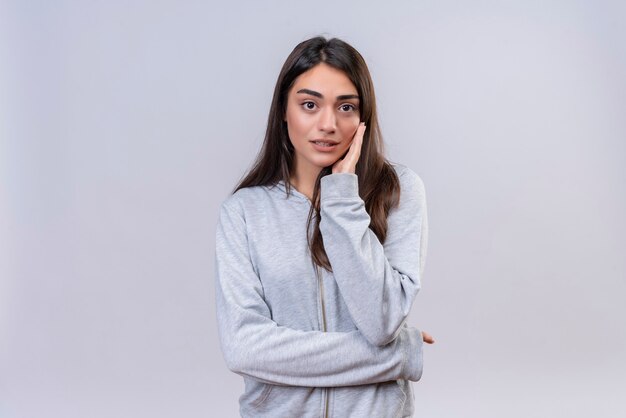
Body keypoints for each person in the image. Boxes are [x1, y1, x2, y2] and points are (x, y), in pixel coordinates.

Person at [214, 35, 434, 418]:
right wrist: (399, 354)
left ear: (364, 116)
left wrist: (342, 198)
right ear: (284, 110)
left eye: (345, 106)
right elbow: (245, 348)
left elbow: (381, 322)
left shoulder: (398, 191)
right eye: (310, 104)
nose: (328, 124)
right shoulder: (244, 212)